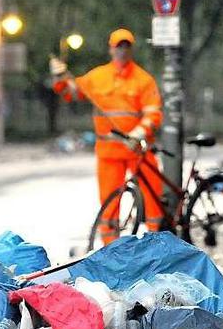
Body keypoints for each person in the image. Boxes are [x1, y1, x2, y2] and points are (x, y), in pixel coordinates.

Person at [50, 29, 164, 245]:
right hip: (109, 154)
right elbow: (70, 92)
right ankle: (111, 250)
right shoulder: (97, 77)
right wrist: (59, 76)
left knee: (153, 199)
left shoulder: (143, 80)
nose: (122, 50)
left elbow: (153, 112)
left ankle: (156, 243)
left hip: (137, 150)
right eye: (118, 46)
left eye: (126, 46)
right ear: (111, 48)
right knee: (109, 206)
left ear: (131, 49)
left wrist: (139, 132)